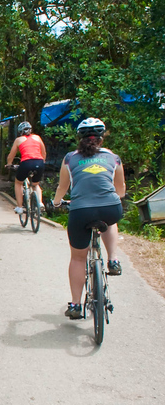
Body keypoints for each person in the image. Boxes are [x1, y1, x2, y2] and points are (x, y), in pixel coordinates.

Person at [51, 118, 125, 320]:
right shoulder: (113, 158)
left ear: (79, 138)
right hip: (110, 207)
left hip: (80, 211)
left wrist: (57, 203)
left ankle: (75, 305)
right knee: (110, 219)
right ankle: (113, 260)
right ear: (101, 139)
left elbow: (62, 187)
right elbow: (121, 190)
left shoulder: (70, 158)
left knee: (77, 258)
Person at [6, 121, 47, 214]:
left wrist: (9, 164)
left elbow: (11, 155)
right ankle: (40, 203)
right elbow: (43, 152)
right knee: (36, 184)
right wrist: (42, 162)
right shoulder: (37, 137)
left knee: (18, 182)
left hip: (26, 163)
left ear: (20, 132)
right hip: (39, 162)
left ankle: (19, 207)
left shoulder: (18, 140)